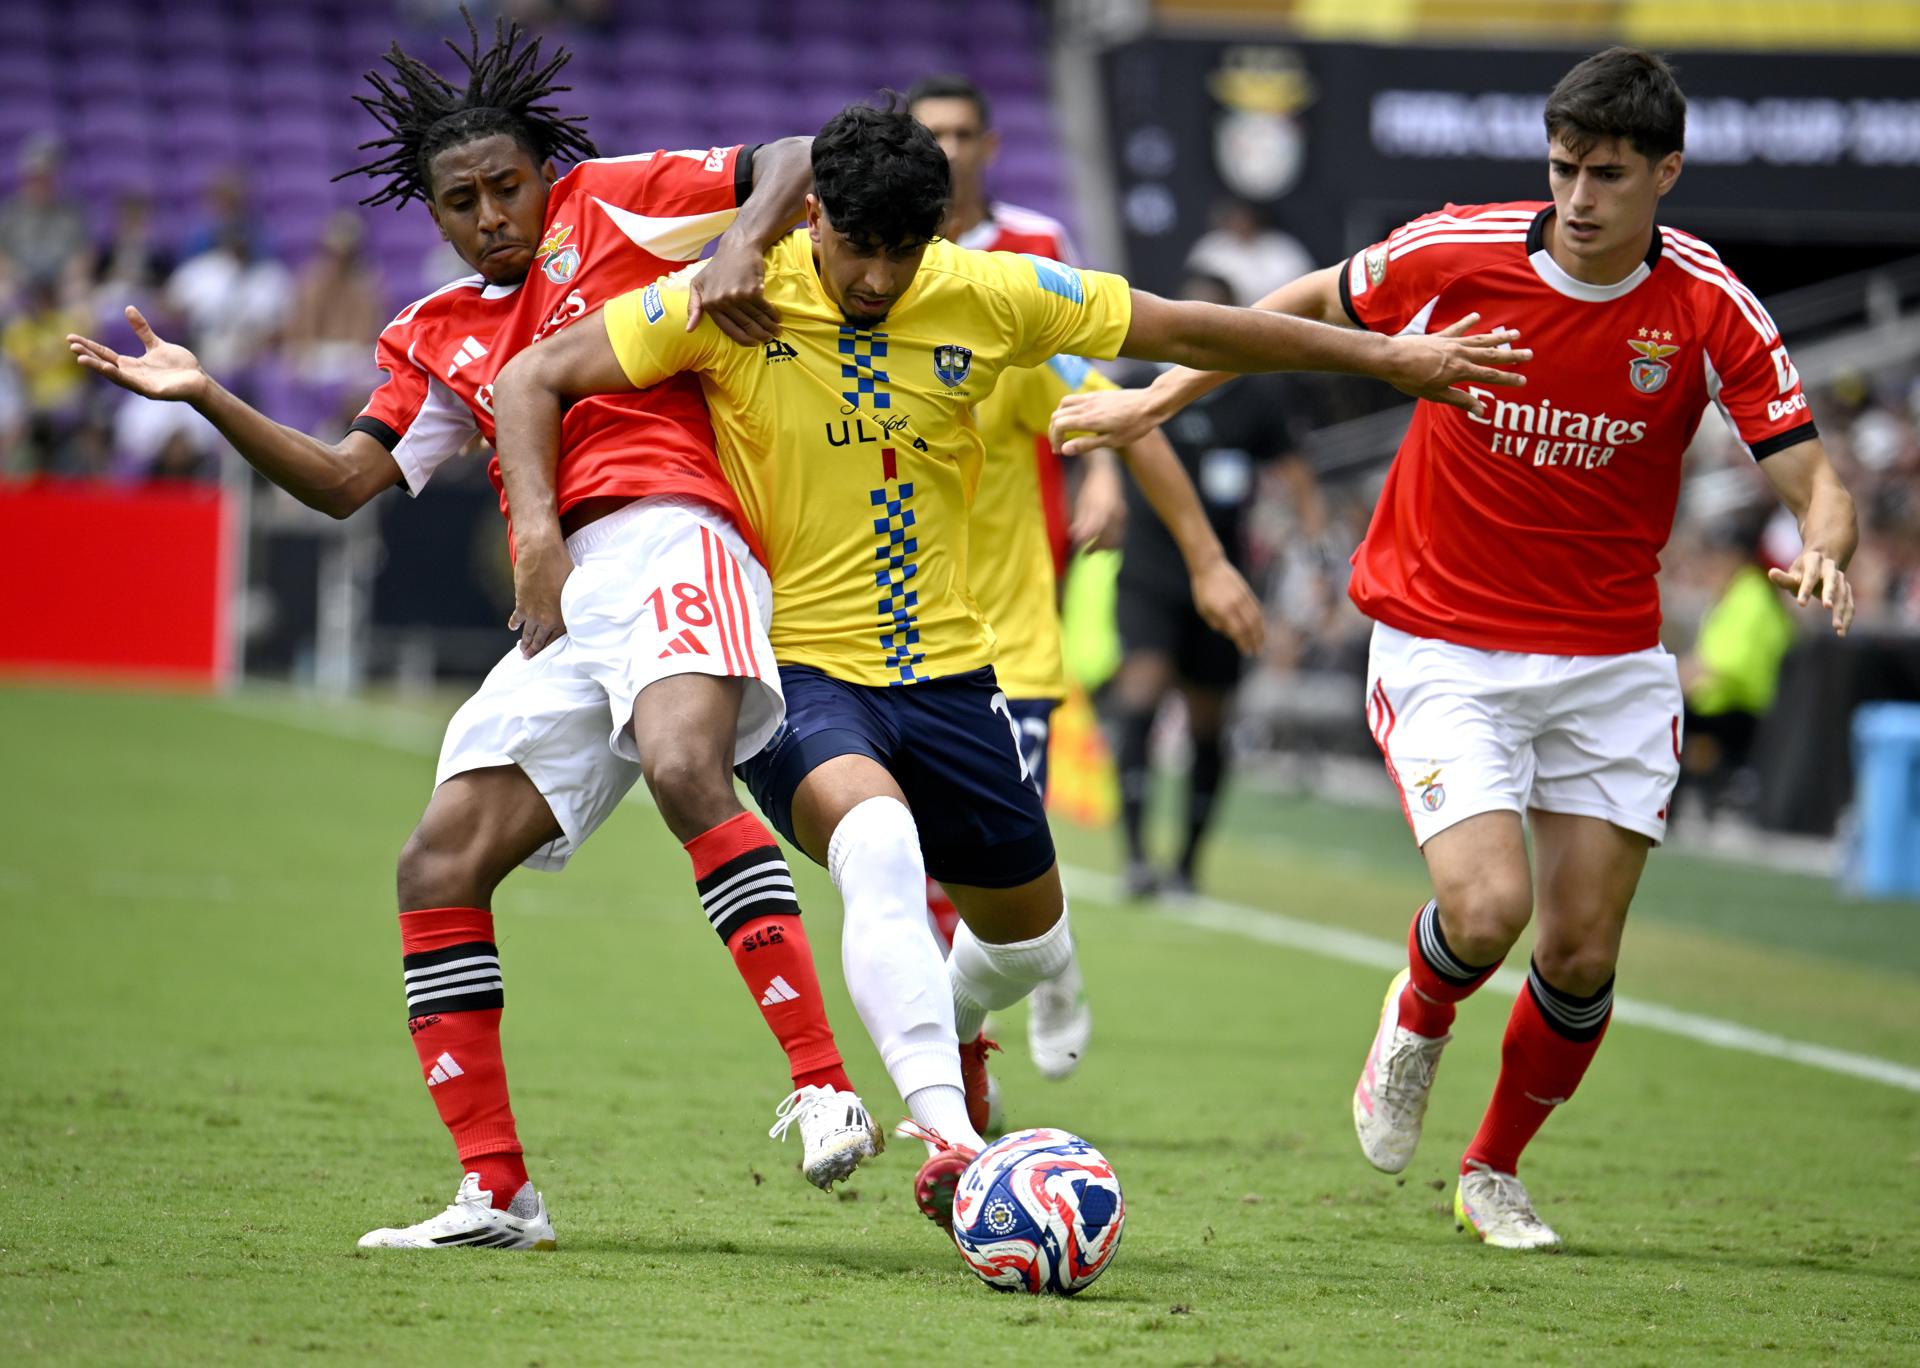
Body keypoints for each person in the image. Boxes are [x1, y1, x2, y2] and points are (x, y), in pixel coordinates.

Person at [489, 99, 1529, 1232]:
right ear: (814, 217)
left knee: (1031, 947)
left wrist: (1386, 356)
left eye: (904, 251)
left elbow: (1191, 329)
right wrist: (538, 536)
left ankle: (950, 1032)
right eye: (858, 246)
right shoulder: (731, 297)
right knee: (880, 846)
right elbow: (530, 377)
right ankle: (952, 1140)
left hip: (950, 677)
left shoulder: (992, 293)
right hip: (796, 670)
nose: (879, 277)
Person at [68, 14, 878, 1253]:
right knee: (436, 865)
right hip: (563, 605)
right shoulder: (432, 330)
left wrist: (737, 245)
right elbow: (346, 482)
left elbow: (801, 152)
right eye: (464, 200)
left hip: (676, 535)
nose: (494, 213)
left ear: (543, 172)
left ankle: (823, 1088)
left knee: (683, 766)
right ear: (436, 214)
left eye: (508, 185)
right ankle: (498, 1195)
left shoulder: (615, 203)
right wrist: (209, 395)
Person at [1048, 46, 1858, 1249]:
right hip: (1447, 639)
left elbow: (1814, 476)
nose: (1579, 196)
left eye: (1609, 174)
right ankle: (1419, 1018)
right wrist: (1150, 401)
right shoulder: (1461, 248)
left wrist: (1827, 546)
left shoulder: (1707, 305)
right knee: (1485, 913)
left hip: (1609, 660)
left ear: (1667, 174)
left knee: (1579, 953)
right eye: (1564, 167)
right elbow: (1298, 304)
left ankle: (1493, 1170)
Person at [908, 71, 1120, 1090]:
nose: (948, 151)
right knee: (918, 860)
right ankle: (983, 1040)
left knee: (992, 845)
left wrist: (1105, 471)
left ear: (990, 145)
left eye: (963, 133)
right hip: (898, 612)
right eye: (930, 135)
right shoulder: (875, 263)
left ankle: (1037, 973)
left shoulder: (1034, 250)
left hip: (1015, 590)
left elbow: (1088, 374)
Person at [1107, 269, 1298, 899]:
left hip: (1222, 575)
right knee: (1141, 688)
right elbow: (1095, 434)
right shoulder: (1138, 384)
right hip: (1150, 571)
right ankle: (1136, 856)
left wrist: (1315, 554)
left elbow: (1296, 475)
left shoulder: (1256, 398)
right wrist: (1102, 481)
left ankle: (1188, 863)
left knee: (1209, 719)